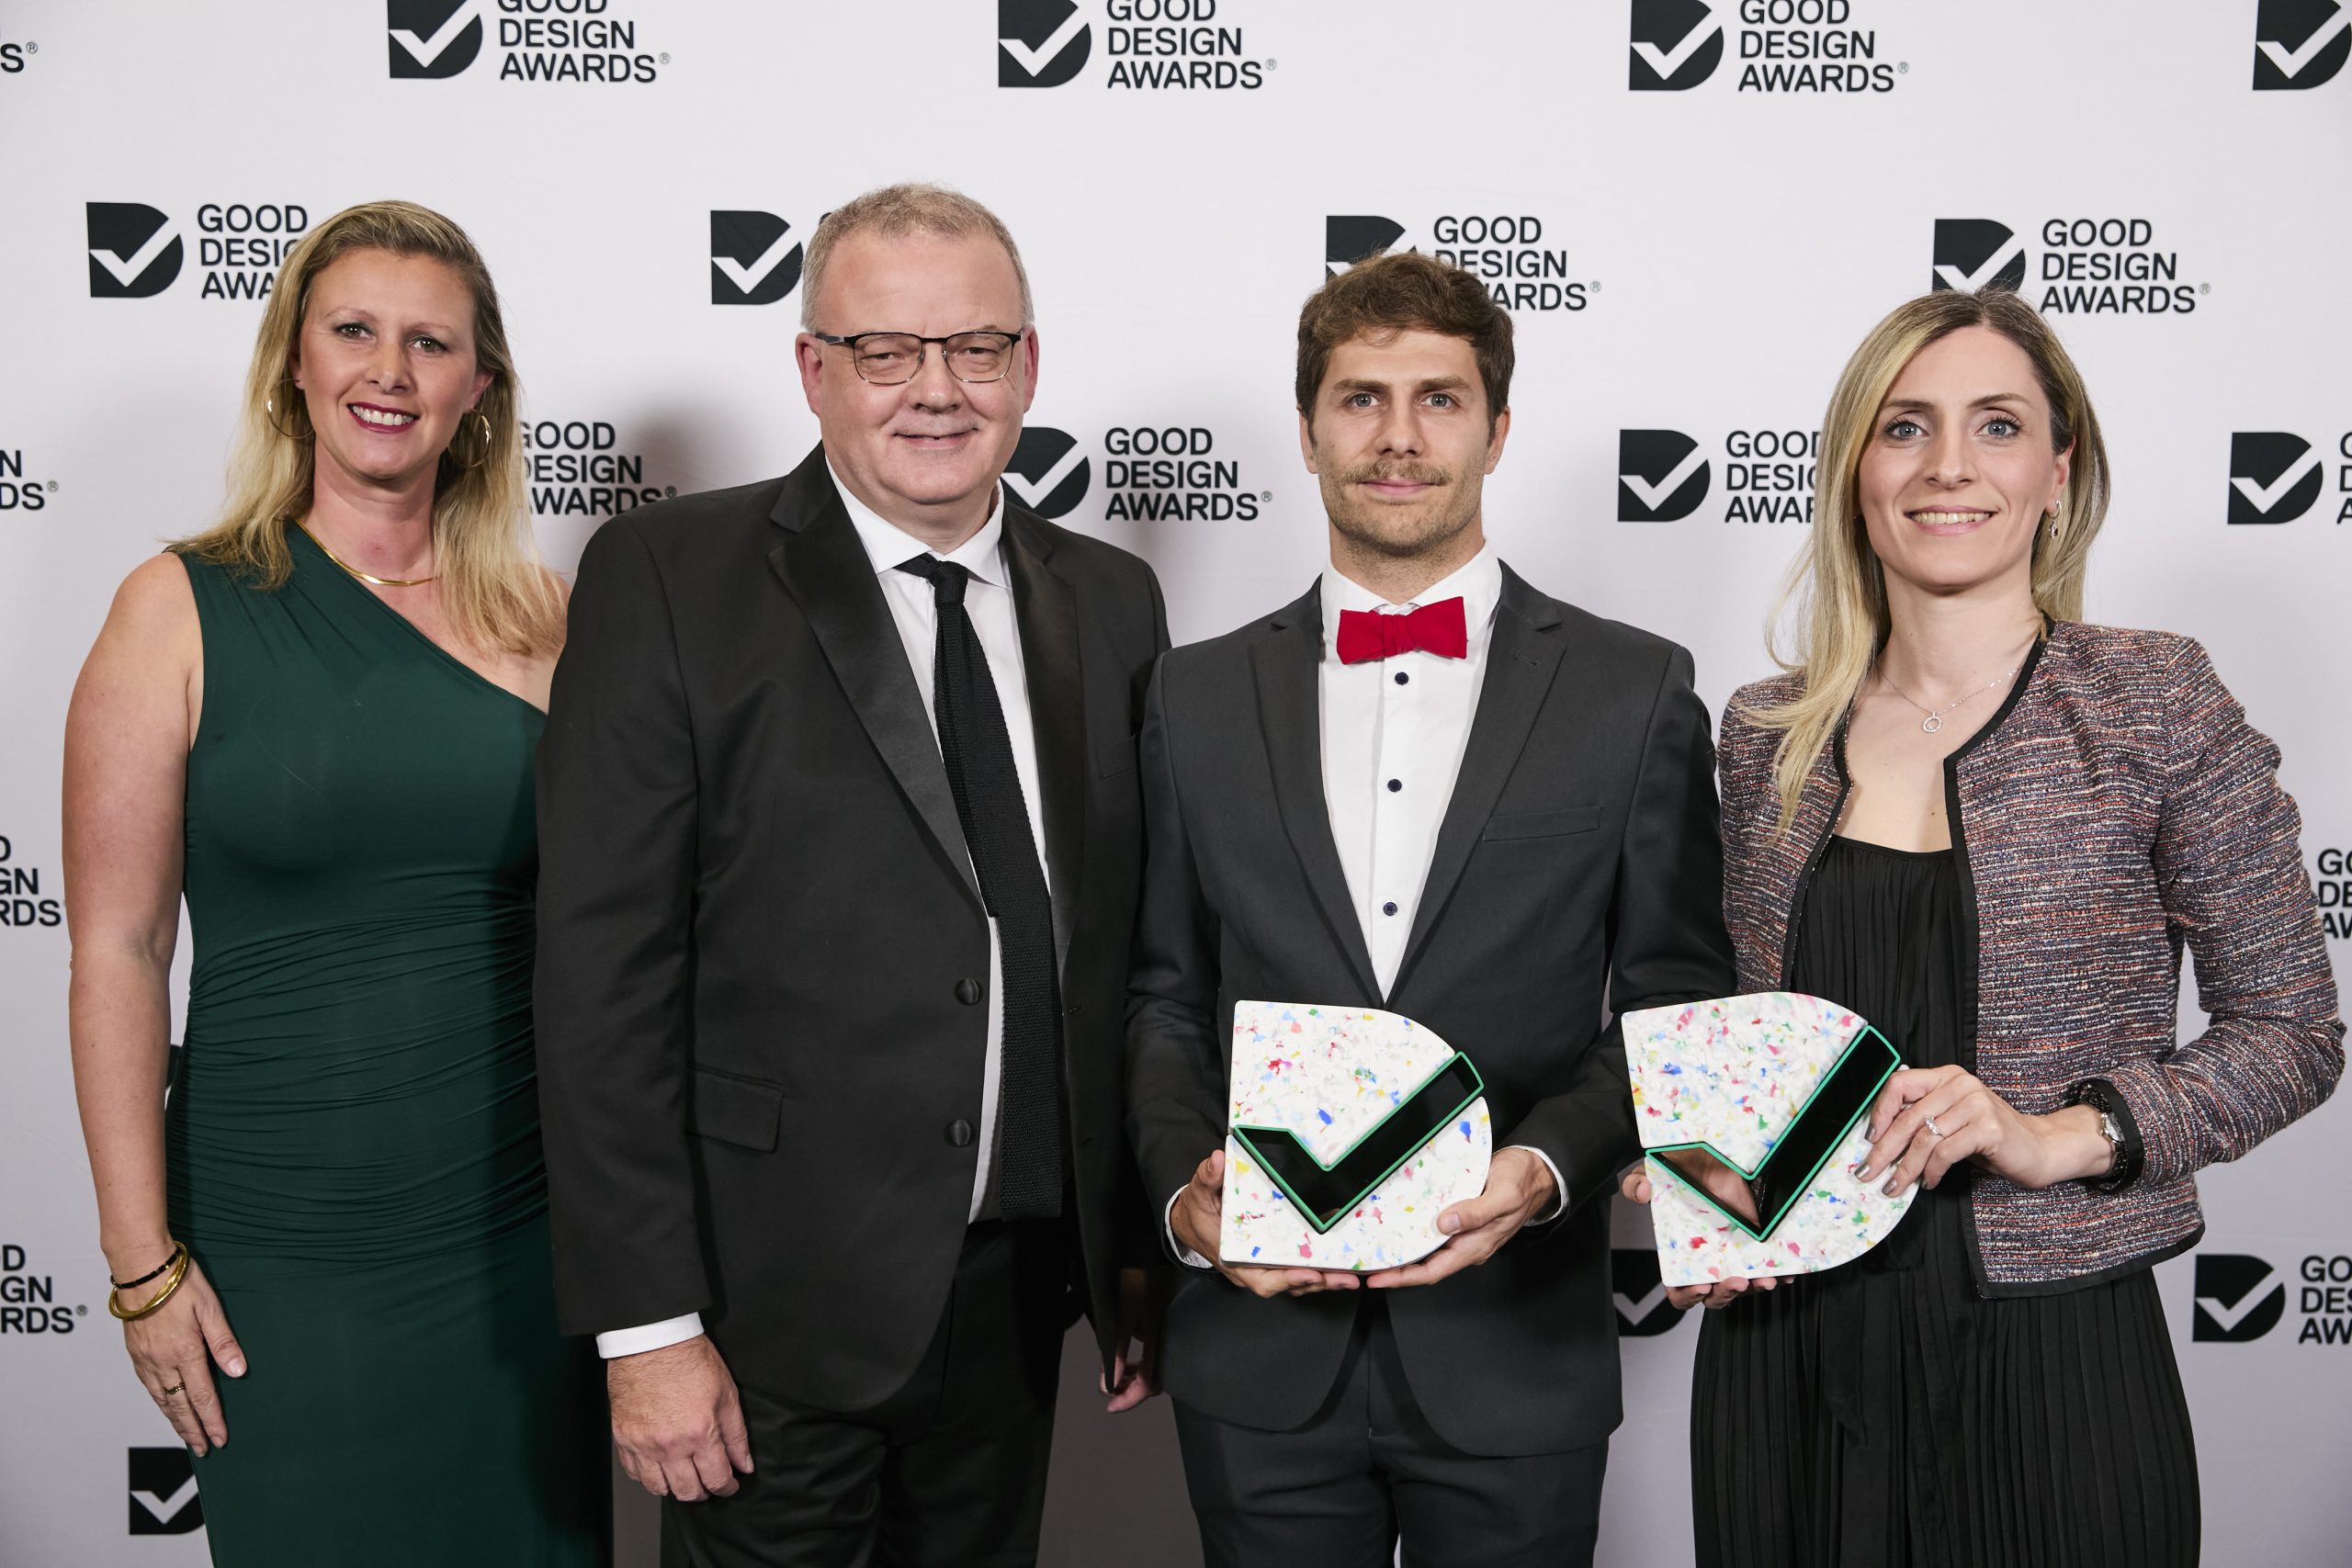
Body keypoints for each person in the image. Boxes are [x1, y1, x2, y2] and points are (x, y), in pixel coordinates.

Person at [1627, 287, 2344, 1568]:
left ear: (2059, 474)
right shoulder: (1762, 730)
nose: (1948, 465)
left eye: (1997, 426)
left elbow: (2293, 1030)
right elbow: (1733, 1031)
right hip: (1783, 1346)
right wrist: (1699, 1163)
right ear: (1857, 470)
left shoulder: (2152, 698)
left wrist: (2060, 1134)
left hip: (2054, 1348)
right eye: (1905, 427)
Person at [533, 182, 1169, 1568]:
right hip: (765, 1315)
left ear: (1029, 368)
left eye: (976, 347)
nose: (935, 390)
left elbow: (1121, 950)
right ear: (815, 371)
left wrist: (1131, 1236)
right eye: (887, 351)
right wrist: (648, 1330)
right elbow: (600, 979)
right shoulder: (669, 577)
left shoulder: (1114, 601)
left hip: (1019, 1301)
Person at [1124, 249, 1736, 1568]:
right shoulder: (1191, 696)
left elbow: (1674, 997)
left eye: (1439, 400)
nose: (1398, 439)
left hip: (1515, 1344)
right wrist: (1187, 1196)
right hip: (1259, 1358)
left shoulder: (1634, 693)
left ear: (1498, 428)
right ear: (1306, 430)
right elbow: (1164, 994)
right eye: (1360, 399)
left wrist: (1550, 1167)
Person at [61, 200, 606, 1563]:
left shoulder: (553, 621)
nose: (390, 372)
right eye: (353, 331)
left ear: (478, 393)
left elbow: (626, 933)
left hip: (521, 1232)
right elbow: (118, 952)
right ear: (290, 363)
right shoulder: (176, 606)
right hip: (275, 1244)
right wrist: (141, 1266)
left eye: (432, 344)